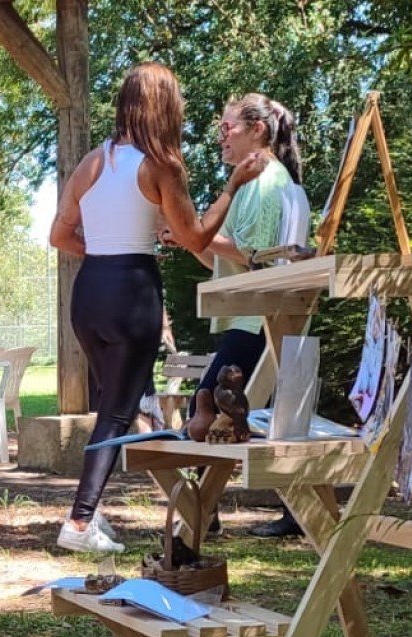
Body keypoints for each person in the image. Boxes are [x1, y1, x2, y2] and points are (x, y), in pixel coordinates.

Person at [48, 63, 243, 555]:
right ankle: (78, 521)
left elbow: (58, 235)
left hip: (89, 292)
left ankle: (106, 511)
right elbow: (196, 235)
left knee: (119, 405)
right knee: (116, 411)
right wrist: (233, 185)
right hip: (132, 290)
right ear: (165, 108)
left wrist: (103, 249)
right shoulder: (161, 165)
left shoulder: (95, 160)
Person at [183, 91, 308, 538]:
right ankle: (210, 512)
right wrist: (192, 238)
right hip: (255, 317)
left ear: (257, 129)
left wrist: (194, 232)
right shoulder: (261, 180)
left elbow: (251, 256)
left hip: (259, 317)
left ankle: (200, 514)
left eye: (227, 127)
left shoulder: (259, 181)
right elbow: (228, 262)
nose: (221, 136)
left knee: (206, 407)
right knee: (264, 414)